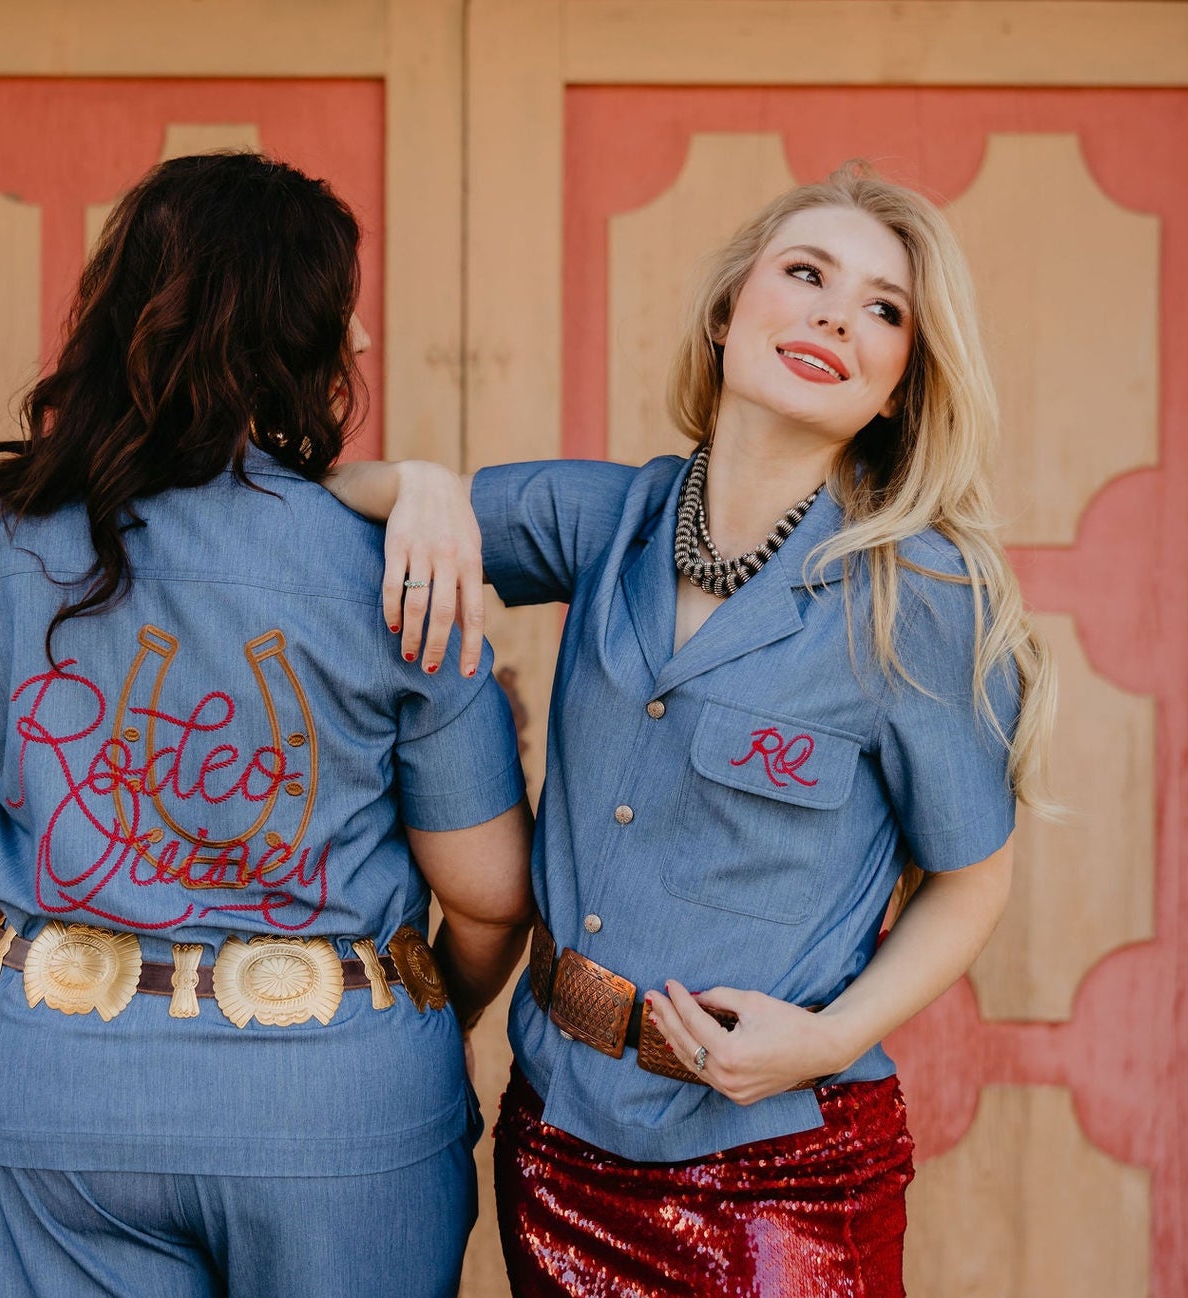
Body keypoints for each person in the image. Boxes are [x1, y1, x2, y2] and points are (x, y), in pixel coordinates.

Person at [326, 162, 1057, 1296]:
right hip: (556, 1141)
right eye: (805, 273)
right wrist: (421, 485)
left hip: (779, 1174)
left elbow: (971, 883)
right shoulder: (601, 519)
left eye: (883, 309)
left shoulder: (916, 601)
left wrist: (825, 1040)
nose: (834, 315)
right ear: (725, 313)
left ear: (901, 387)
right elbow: (326, 504)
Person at [0, 152, 534, 1298]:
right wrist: (410, 1015)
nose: (362, 339)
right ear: (297, 336)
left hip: (58, 1086)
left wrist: (57, 1017)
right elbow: (487, 893)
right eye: (341, 309)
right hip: (339, 1096)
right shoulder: (395, 570)